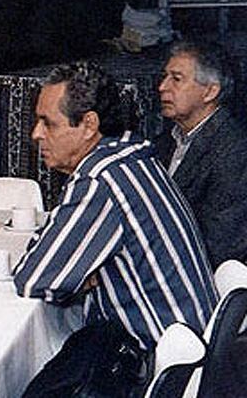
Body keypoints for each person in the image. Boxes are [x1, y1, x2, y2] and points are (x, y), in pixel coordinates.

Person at [14, 62, 217, 396]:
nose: (36, 134)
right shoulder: (132, 155)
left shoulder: (99, 179)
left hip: (158, 370)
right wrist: (79, 271)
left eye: (47, 123)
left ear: (89, 124)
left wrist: (77, 273)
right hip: (191, 349)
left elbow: (34, 278)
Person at [154, 40, 247, 269]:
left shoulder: (234, 151)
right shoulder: (166, 141)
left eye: (176, 79)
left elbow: (222, 244)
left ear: (210, 91)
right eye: (165, 77)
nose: (162, 87)